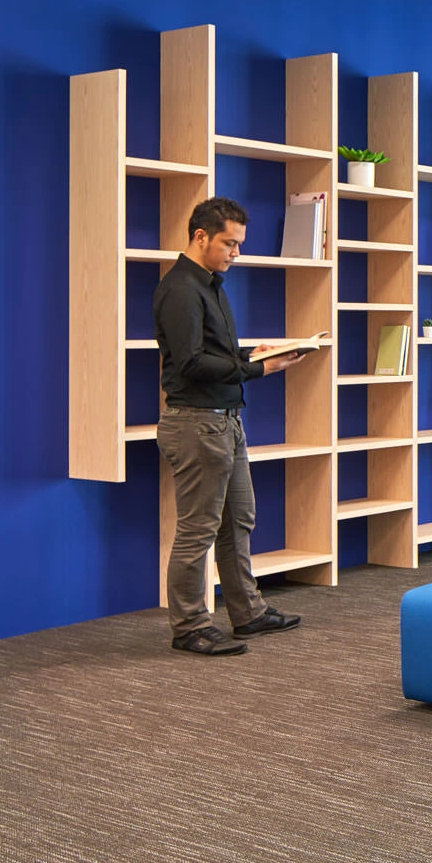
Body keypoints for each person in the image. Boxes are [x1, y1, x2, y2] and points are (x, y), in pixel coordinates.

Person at [154, 196, 310, 656]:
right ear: (200, 236)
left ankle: (249, 613)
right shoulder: (181, 289)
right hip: (197, 424)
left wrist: (251, 355)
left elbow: (215, 356)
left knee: (238, 520)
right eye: (230, 243)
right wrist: (261, 370)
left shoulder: (211, 285)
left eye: (239, 244)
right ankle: (188, 627)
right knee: (197, 531)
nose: (236, 253)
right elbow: (190, 365)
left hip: (225, 422)